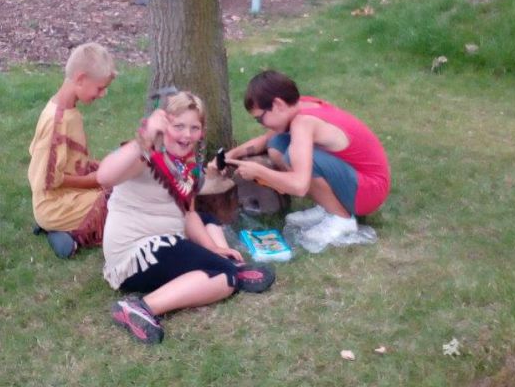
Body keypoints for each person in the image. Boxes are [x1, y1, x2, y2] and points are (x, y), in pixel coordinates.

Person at [98, 91, 275, 345]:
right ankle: (140, 307)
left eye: (194, 128)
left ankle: (224, 263)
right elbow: (104, 177)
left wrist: (213, 248)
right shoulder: (146, 153)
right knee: (224, 278)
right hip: (138, 253)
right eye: (178, 126)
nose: (187, 135)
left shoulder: (186, 160)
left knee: (206, 220)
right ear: (163, 125)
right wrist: (145, 137)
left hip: (167, 240)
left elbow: (188, 213)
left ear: (202, 131)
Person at [222, 70, 390, 236]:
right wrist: (229, 156)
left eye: (260, 118)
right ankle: (328, 207)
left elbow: (299, 186)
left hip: (369, 192)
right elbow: (265, 140)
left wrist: (259, 171)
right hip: (360, 179)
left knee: (297, 158)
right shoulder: (299, 105)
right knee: (276, 144)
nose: (261, 124)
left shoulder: (303, 123)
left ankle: (341, 219)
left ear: (278, 104)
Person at [27, 42, 115, 259]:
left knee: (121, 183)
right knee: (120, 203)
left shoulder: (68, 112)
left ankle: (61, 229)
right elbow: (47, 180)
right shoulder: (56, 122)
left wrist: (96, 168)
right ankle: (69, 235)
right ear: (81, 78)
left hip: (68, 196)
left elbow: (70, 160)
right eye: (100, 88)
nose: (103, 94)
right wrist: (94, 180)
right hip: (55, 206)